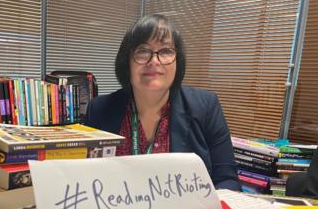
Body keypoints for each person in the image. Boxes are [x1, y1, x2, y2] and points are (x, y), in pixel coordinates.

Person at [85, 13, 241, 191]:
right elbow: (86, 181)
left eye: (166, 51)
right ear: (127, 61)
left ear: (178, 61)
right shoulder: (99, 110)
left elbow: (228, 181)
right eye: (142, 51)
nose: (154, 61)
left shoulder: (206, 106)